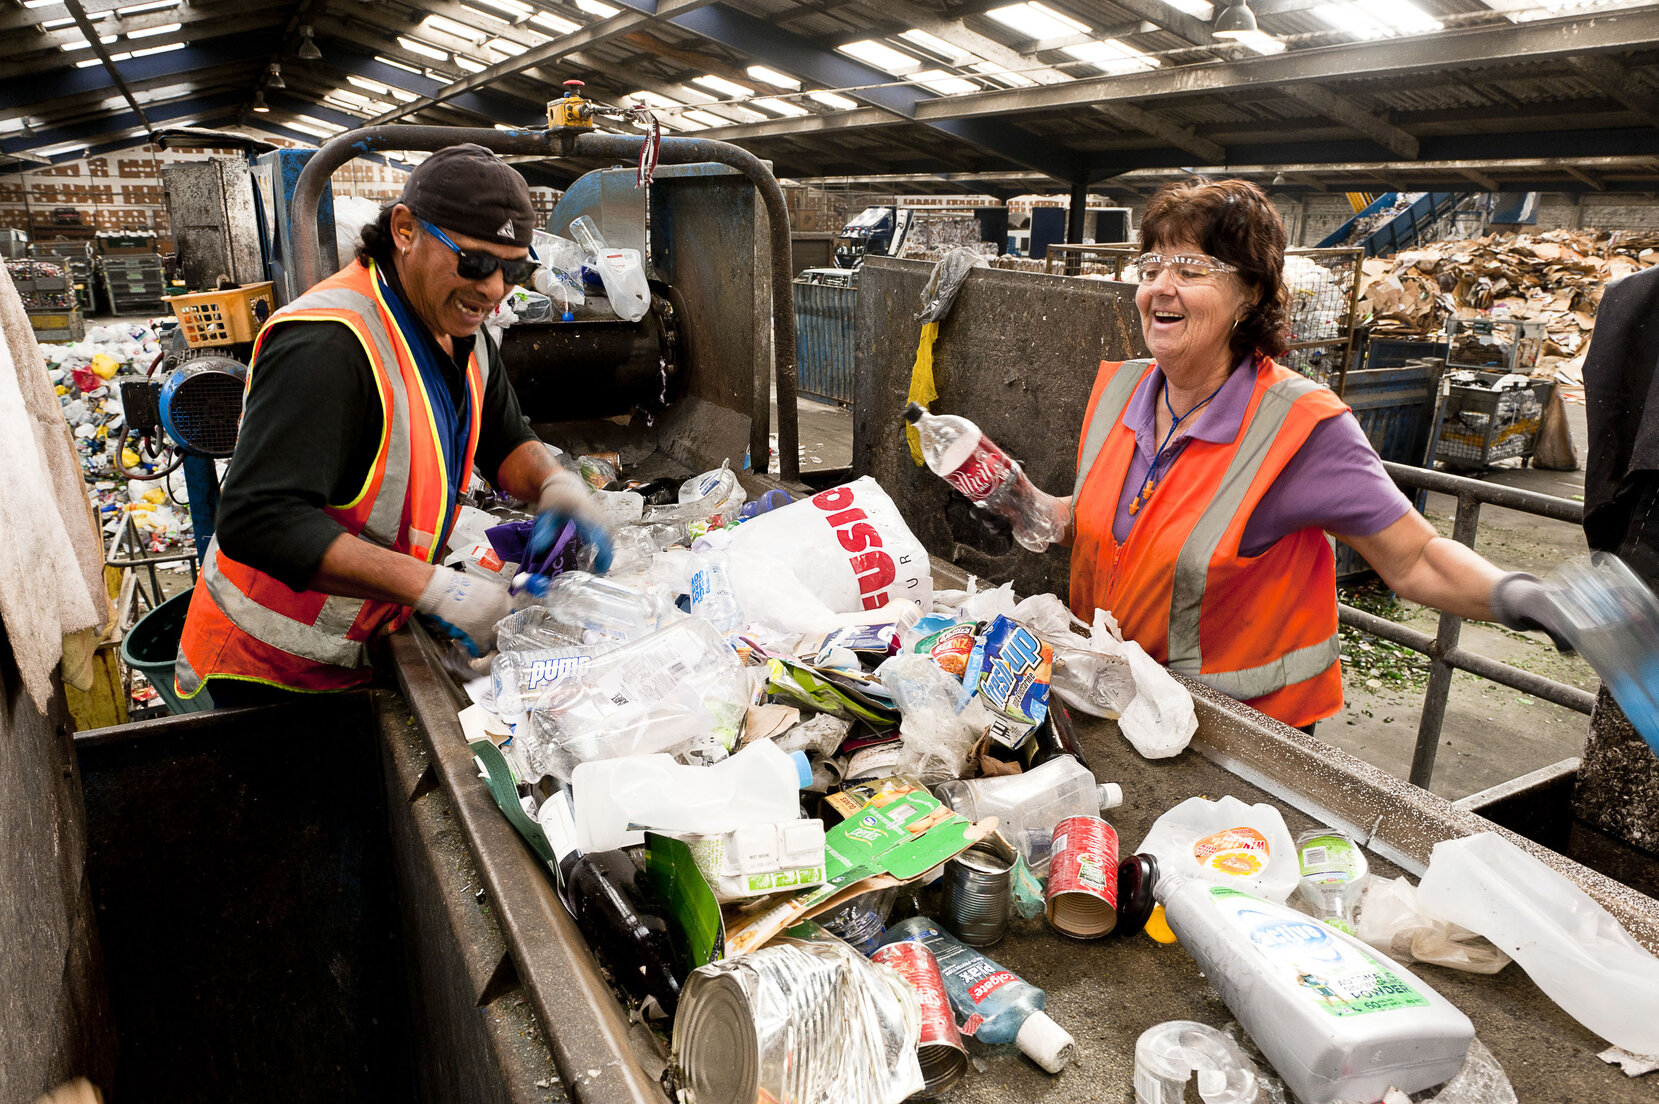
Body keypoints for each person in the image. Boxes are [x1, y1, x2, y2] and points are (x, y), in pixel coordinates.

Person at [1059, 177, 1567, 731]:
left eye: (1190, 269)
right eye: (1151, 267)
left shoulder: (1300, 427)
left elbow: (1414, 558)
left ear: (1250, 292)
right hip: (1113, 705)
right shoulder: (1121, 394)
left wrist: (1523, 598)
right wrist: (1014, 499)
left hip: (1235, 740)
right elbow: (1117, 526)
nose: (1160, 286)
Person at [175, 144, 610, 707]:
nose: (495, 289)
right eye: (476, 263)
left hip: (360, 650)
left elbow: (506, 438)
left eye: (514, 269)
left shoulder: (462, 332)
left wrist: (557, 485)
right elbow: (258, 521)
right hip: (272, 671)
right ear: (404, 230)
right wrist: (438, 589)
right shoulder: (329, 342)